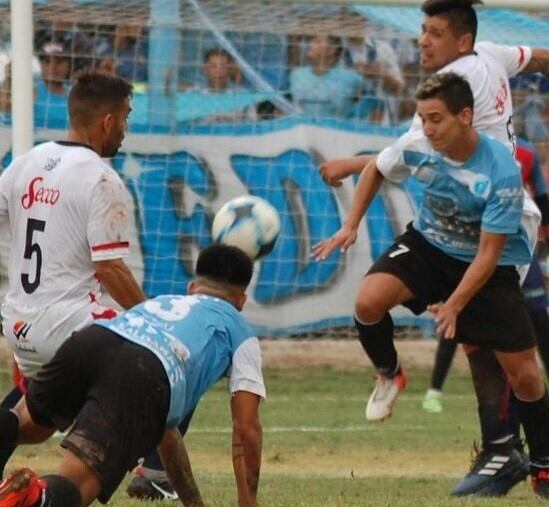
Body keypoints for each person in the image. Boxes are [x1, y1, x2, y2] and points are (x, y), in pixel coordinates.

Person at [317, 0, 549, 496]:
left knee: (517, 365)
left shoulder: (463, 81)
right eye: (422, 30)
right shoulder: (489, 53)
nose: (422, 40)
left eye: (434, 32)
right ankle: (396, 378)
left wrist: (351, 162)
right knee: (372, 301)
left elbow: (426, 143)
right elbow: (534, 56)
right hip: (439, 232)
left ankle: (527, 457)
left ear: (461, 41)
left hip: (495, 231)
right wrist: (351, 217)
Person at [0, 243, 265, 507]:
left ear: (192, 288)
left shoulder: (161, 303)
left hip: (93, 339)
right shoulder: (240, 332)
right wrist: (248, 503)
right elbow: (246, 430)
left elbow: (167, 434)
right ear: (240, 301)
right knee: (72, 486)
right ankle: (29, 498)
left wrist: (195, 504)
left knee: (24, 425)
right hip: (142, 370)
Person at [0, 69, 146, 479]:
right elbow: (110, 268)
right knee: (162, 358)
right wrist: (152, 320)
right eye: (126, 118)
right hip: (67, 326)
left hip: (18, 326)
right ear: (107, 121)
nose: (124, 128)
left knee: (35, 418)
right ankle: (156, 473)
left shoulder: (26, 162)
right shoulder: (101, 177)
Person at [422, 136, 549, 414]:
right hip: (474, 251)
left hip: (519, 250)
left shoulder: (525, 152)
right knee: (456, 315)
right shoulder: (461, 152)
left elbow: (542, 199)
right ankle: (435, 389)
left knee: (538, 321)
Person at [289, 34, 367, 120]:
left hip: (337, 131)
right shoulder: (297, 75)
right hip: (305, 130)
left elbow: (374, 100)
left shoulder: (351, 78)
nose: (310, 44)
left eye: (317, 42)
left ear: (332, 49)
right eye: (310, 41)